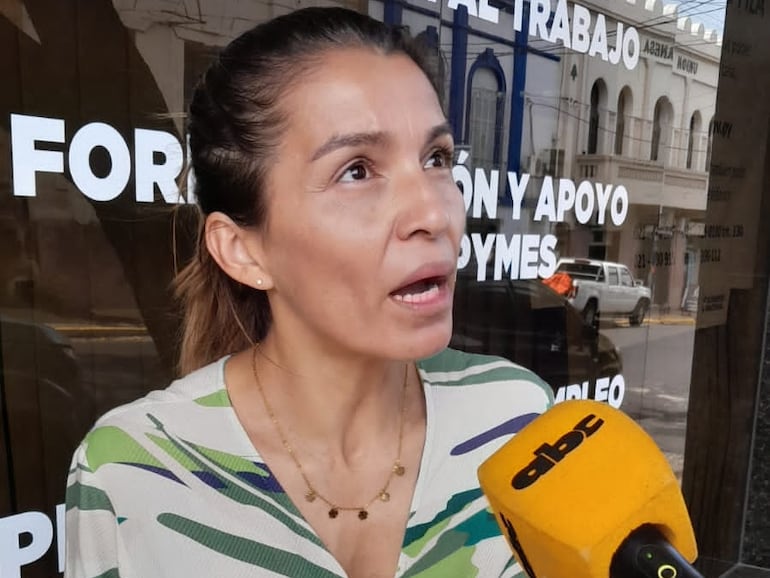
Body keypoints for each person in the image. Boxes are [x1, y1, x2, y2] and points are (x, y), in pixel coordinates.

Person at [65, 7, 552, 577]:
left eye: (436, 158)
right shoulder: (131, 472)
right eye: (357, 170)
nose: (433, 213)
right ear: (243, 251)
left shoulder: (519, 419)